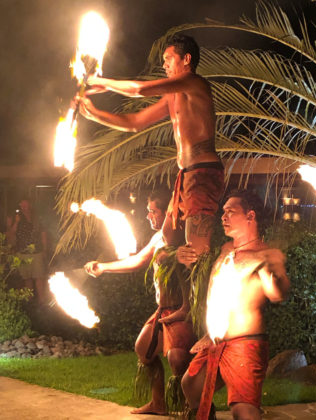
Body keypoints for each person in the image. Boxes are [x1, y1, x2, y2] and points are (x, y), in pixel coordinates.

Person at [78, 34, 224, 322]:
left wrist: (101, 81)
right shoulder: (173, 96)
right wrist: (94, 115)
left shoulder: (194, 83)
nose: (165, 65)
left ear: (186, 60)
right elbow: (135, 123)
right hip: (185, 176)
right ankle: (183, 303)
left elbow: (139, 89)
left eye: (169, 59)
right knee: (168, 242)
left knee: (196, 250)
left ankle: (204, 319)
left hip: (203, 174)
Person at [177, 190, 290, 420]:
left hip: (245, 344)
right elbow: (215, 288)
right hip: (217, 341)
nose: (223, 217)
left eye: (231, 212)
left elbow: (278, 294)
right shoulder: (226, 250)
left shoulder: (268, 254)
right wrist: (184, 259)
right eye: (223, 212)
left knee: (243, 411)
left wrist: (269, 272)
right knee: (191, 385)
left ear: (250, 216)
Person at [84, 191, 196, 415]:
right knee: (144, 350)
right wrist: (104, 267)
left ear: (167, 215)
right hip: (163, 309)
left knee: (178, 359)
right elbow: (138, 260)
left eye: (153, 212)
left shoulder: (185, 240)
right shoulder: (158, 239)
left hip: (182, 311)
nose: (148, 216)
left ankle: (192, 408)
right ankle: (158, 403)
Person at [6, 199, 48, 304]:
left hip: (37, 252)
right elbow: (11, 233)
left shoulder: (36, 216)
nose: (24, 205)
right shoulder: (16, 216)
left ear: (29, 204)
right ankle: (29, 302)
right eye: (22, 203)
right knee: (27, 278)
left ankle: (42, 302)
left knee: (39, 277)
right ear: (20, 204)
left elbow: (43, 233)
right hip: (23, 252)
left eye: (25, 203)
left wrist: (45, 248)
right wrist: (16, 222)